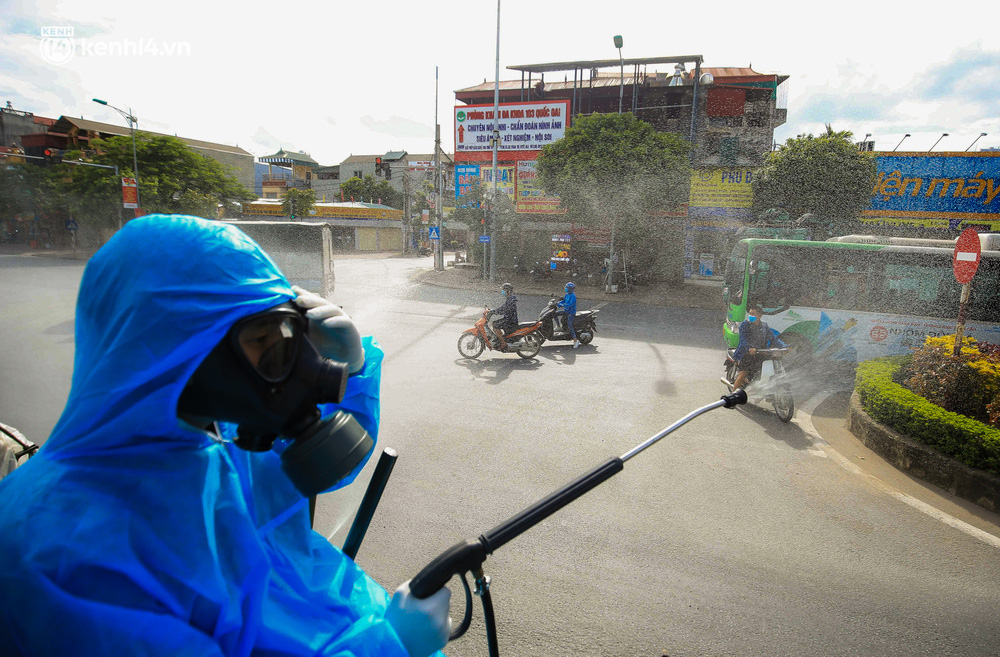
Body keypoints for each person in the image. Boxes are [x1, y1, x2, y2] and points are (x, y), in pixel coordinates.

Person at [0, 215, 450, 657]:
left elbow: (316, 467)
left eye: (293, 332)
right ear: (180, 350)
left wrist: (352, 372)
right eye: (268, 340)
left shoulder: (204, 441)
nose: (301, 366)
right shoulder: (64, 557)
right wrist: (388, 646)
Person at [730, 302, 786, 392]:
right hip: (746, 354)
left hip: (760, 353)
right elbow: (743, 340)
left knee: (766, 371)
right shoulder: (745, 325)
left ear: (759, 316)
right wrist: (749, 348)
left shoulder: (764, 326)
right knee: (743, 374)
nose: (750, 316)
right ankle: (733, 398)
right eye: (750, 313)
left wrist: (784, 346)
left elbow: (773, 338)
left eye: (753, 314)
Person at [487, 282, 518, 348]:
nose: (502, 291)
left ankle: (503, 343)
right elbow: (503, 307)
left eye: (503, 290)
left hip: (510, 320)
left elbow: (504, 309)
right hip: (508, 318)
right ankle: (500, 337)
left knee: (495, 326)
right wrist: (493, 311)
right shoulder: (510, 298)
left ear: (507, 290)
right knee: (493, 323)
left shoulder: (511, 299)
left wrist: (493, 311)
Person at [556, 281, 579, 348]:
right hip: (566, 311)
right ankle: (558, 326)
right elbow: (563, 301)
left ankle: (575, 340)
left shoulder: (573, 296)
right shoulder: (567, 295)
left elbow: (569, 305)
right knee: (555, 314)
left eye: (567, 288)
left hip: (571, 312)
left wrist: (561, 305)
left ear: (570, 289)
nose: (565, 288)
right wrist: (557, 303)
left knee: (570, 325)